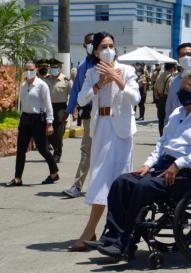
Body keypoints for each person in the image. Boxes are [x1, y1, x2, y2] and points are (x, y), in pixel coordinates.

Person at [95, 68, 191, 257]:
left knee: (143, 188)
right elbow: (163, 143)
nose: (181, 94)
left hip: (190, 173)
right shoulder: (178, 113)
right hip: (164, 166)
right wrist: (148, 164)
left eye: (185, 89)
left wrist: (179, 163)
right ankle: (112, 237)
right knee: (122, 182)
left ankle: (127, 240)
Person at [67, 32, 140, 251]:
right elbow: (81, 99)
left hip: (121, 130)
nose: (108, 50)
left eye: (111, 45)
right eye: (103, 47)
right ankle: (96, 232)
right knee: (99, 178)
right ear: (96, 51)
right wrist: (99, 84)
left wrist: (116, 78)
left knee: (118, 181)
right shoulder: (91, 72)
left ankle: (107, 233)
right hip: (101, 128)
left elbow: (135, 98)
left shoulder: (127, 70)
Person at [5, 61, 59, 187]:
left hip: (38, 120)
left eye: (31, 69)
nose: (29, 71)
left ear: (36, 69)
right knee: (21, 150)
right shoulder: (23, 85)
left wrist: (49, 123)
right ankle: (17, 178)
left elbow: (48, 105)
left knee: (42, 148)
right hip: (25, 119)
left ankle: (54, 173)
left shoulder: (42, 85)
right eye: (26, 69)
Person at [63, 32, 96, 198]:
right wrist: (68, 111)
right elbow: (76, 89)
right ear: (84, 45)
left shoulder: (107, 64)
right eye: (89, 42)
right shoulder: (83, 66)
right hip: (89, 115)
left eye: (94, 42)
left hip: (107, 116)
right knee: (87, 150)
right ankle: (77, 186)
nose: (92, 45)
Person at [45, 58, 71, 163]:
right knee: (50, 133)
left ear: (60, 68)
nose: (53, 69)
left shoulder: (66, 80)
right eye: (52, 68)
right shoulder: (46, 80)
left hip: (61, 108)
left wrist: (73, 110)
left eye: (55, 67)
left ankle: (57, 154)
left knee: (59, 133)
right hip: (48, 107)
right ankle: (56, 147)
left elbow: (73, 95)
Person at [153, 62, 177, 135]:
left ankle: (161, 135)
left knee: (161, 119)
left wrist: (157, 98)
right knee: (169, 119)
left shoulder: (160, 76)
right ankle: (167, 136)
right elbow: (171, 91)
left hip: (160, 99)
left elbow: (155, 88)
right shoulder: (171, 78)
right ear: (172, 68)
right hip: (167, 99)